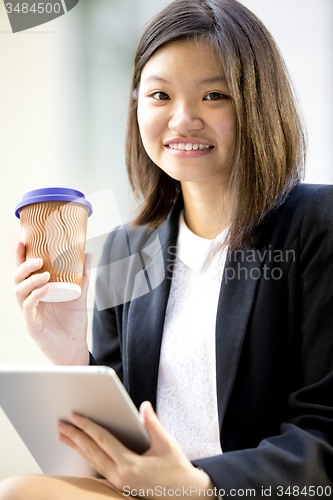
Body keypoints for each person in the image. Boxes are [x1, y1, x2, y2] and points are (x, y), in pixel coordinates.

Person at [2, 0, 333, 498]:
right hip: (149, 495)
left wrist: (200, 485)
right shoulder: (124, 250)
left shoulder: (315, 222)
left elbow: (325, 434)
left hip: (244, 493)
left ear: (258, 102)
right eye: (159, 95)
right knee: (21, 489)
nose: (183, 120)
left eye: (214, 95)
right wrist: (71, 356)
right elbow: (119, 447)